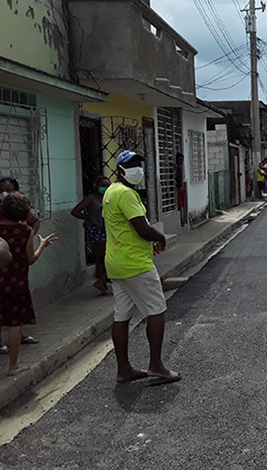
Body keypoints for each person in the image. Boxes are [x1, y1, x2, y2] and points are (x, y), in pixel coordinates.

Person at [103, 150, 180, 385]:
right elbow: (141, 228)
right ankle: (156, 366)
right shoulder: (126, 193)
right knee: (156, 310)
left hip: (116, 263)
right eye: (132, 164)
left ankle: (124, 369)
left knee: (122, 315)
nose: (138, 168)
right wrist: (161, 237)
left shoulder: (111, 191)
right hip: (135, 263)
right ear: (121, 169)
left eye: (139, 164)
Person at [0, 192, 57, 376]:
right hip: (17, 285)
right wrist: (42, 245)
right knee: (14, 325)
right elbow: (30, 259)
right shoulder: (26, 232)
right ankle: (13, 366)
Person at [0, 177, 41, 350]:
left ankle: (19, 335)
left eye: (9, 190)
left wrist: (30, 239)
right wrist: (39, 244)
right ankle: (11, 358)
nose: (4, 193)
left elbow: (35, 222)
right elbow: (32, 259)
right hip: (7, 265)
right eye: (2, 190)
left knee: (14, 305)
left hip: (18, 266)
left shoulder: (24, 226)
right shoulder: (21, 228)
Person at [70, 176, 112, 296]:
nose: (106, 188)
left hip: (107, 229)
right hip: (96, 231)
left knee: (105, 258)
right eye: (103, 185)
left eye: (108, 185)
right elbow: (75, 211)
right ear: (97, 186)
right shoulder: (90, 199)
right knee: (103, 258)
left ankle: (103, 284)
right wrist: (88, 218)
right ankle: (101, 282)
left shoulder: (107, 197)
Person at [175, 153, 187, 227]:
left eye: (182, 160)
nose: (181, 161)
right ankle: (181, 219)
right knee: (179, 205)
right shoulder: (175, 168)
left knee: (182, 204)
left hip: (180, 188)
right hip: (176, 189)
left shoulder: (180, 169)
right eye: (179, 159)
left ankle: (182, 218)